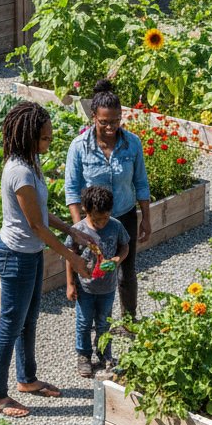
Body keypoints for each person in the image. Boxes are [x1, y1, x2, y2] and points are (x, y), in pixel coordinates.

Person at [0, 101, 93, 417]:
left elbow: (42, 213)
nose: (49, 142)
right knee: (10, 324)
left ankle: (27, 379)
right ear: (28, 137)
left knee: (28, 319)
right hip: (15, 256)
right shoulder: (19, 171)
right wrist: (71, 258)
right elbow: (34, 224)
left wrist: (72, 230)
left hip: (28, 254)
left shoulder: (30, 163)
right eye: (45, 138)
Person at [64, 79, 150, 326]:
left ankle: (129, 320)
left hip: (124, 214)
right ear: (93, 117)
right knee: (91, 271)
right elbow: (71, 189)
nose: (111, 127)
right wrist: (79, 228)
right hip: (92, 221)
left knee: (126, 270)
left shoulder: (131, 143)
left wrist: (146, 218)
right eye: (104, 122)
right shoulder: (79, 147)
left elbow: (141, 183)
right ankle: (94, 323)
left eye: (115, 121)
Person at [66, 185, 129, 379]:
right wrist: (70, 283)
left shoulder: (116, 226)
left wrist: (117, 260)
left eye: (105, 218)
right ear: (86, 209)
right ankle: (84, 355)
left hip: (107, 288)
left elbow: (124, 247)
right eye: (97, 219)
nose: (102, 223)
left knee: (104, 322)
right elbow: (70, 256)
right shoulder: (78, 230)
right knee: (84, 322)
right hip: (85, 287)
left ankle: (104, 354)